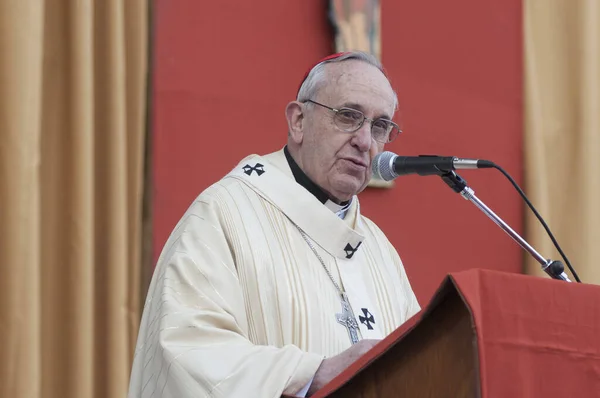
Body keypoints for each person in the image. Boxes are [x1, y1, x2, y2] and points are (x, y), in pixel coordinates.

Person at [128, 51, 420, 398]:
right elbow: (185, 349)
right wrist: (313, 374)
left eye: (380, 126)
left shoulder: (379, 251)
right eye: (348, 116)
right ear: (298, 121)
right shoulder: (224, 213)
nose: (365, 140)